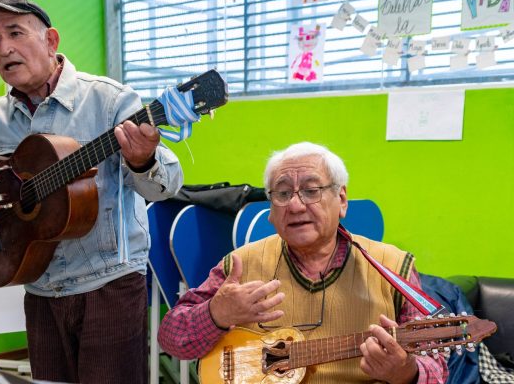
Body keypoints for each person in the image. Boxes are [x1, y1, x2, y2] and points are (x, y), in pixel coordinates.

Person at [0, 0, 183, 384]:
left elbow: (167, 185)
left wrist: (142, 160)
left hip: (109, 286)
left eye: (14, 33)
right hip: (39, 288)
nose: (3, 48)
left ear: (51, 40)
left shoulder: (110, 99)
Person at [158, 142, 448, 383]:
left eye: (311, 190)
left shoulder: (393, 267)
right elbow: (171, 338)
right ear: (270, 210)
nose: (295, 206)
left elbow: (437, 368)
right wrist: (215, 314)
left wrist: (408, 372)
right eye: (282, 194)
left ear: (342, 200)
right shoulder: (240, 264)